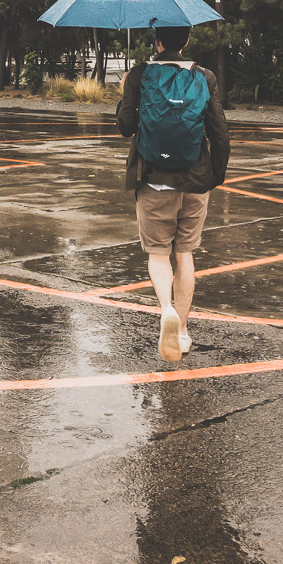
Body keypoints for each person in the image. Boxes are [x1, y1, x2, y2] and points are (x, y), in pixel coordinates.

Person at [117, 25, 230, 363]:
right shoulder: (204, 76)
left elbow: (125, 127)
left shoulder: (140, 74)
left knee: (157, 253)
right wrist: (215, 176)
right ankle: (181, 329)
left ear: (157, 42)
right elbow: (219, 132)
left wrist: (126, 93)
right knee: (185, 254)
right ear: (188, 42)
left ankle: (165, 308)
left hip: (153, 178)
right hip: (195, 181)